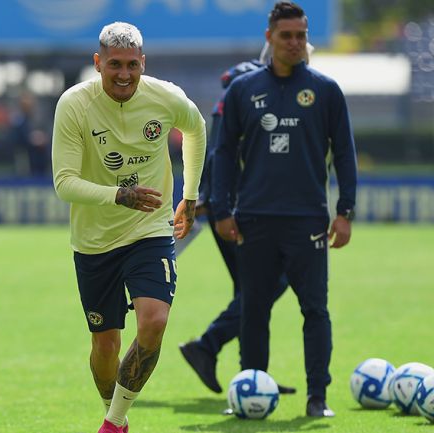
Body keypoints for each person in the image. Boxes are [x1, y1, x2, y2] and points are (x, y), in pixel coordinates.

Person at [52, 22, 206, 433]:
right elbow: (64, 182)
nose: (124, 75)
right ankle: (115, 412)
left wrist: (189, 196)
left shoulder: (165, 97)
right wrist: (119, 195)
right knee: (105, 346)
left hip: (149, 230)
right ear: (98, 63)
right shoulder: (74, 104)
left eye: (132, 66)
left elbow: (196, 128)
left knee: (154, 321)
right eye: (114, 65)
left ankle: (113, 423)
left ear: (143, 63)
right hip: (94, 240)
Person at [211, 1, 357, 418]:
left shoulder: (326, 91)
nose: (294, 43)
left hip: (308, 219)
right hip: (254, 217)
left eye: (300, 36)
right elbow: (223, 154)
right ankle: (249, 388)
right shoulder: (243, 90)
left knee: (314, 308)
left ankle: (317, 398)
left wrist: (345, 210)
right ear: (269, 38)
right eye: (286, 36)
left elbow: (345, 154)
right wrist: (221, 208)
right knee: (253, 308)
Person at [179, 52, 315, 396]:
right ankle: (210, 346)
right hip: (240, 210)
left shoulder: (236, 90)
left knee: (253, 292)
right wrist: (217, 202)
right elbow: (222, 153)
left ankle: (253, 379)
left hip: (236, 206)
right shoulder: (250, 93)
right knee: (266, 287)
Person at [10, 91, 51, 177]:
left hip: (41, 158)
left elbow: (47, 133)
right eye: (24, 103)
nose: (27, 105)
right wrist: (31, 139)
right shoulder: (18, 120)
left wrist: (42, 138)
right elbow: (16, 139)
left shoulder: (38, 118)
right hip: (26, 157)